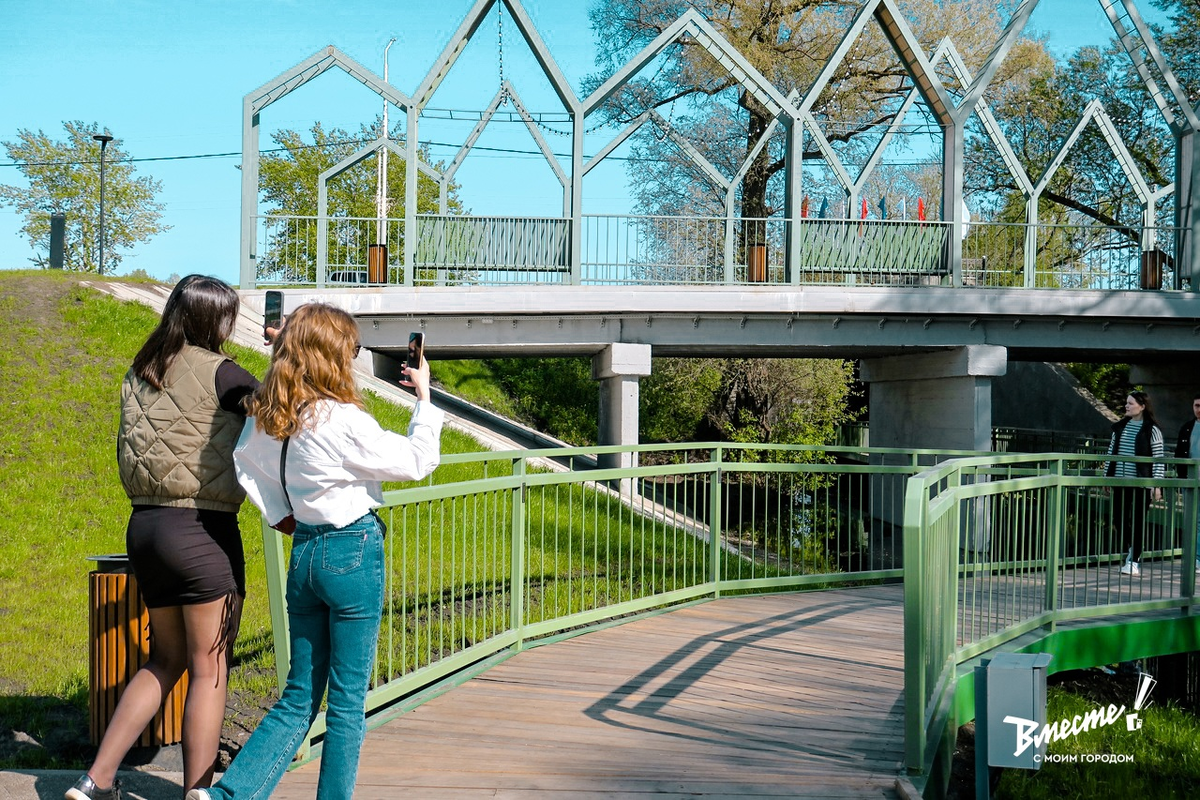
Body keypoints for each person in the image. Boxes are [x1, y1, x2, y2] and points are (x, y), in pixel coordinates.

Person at [189, 303, 443, 800]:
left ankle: (226, 796)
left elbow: (247, 465)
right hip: (351, 549)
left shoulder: (270, 415)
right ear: (333, 355)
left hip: (304, 551)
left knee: (299, 695)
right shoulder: (341, 418)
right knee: (346, 703)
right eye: (351, 349)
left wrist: (284, 515)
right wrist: (425, 397)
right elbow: (417, 461)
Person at [69, 276, 259, 800]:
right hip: (202, 530)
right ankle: (198, 792)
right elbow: (281, 410)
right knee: (209, 668)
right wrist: (283, 354)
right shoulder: (223, 372)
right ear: (213, 319)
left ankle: (94, 781)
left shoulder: (140, 370)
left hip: (146, 528)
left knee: (165, 661)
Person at [1105, 390, 1165, 577]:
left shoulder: (1152, 430)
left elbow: (1158, 459)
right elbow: (1111, 452)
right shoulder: (1120, 427)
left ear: (1142, 407)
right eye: (1127, 403)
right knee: (1118, 519)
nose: (1126, 406)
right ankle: (1132, 549)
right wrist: (1107, 476)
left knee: (1138, 521)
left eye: (1130, 403)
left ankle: (1134, 562)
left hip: (1141, 483)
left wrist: (1156, 485)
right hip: (1120, 481)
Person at [1174, 393, 1200, 572]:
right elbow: (1179, 454)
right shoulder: (1187, 427)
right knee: (1193, 520)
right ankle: (1196, 558)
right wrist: (1181, 477)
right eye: (1196, 405)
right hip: (1190, 480)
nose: (1199, 409)